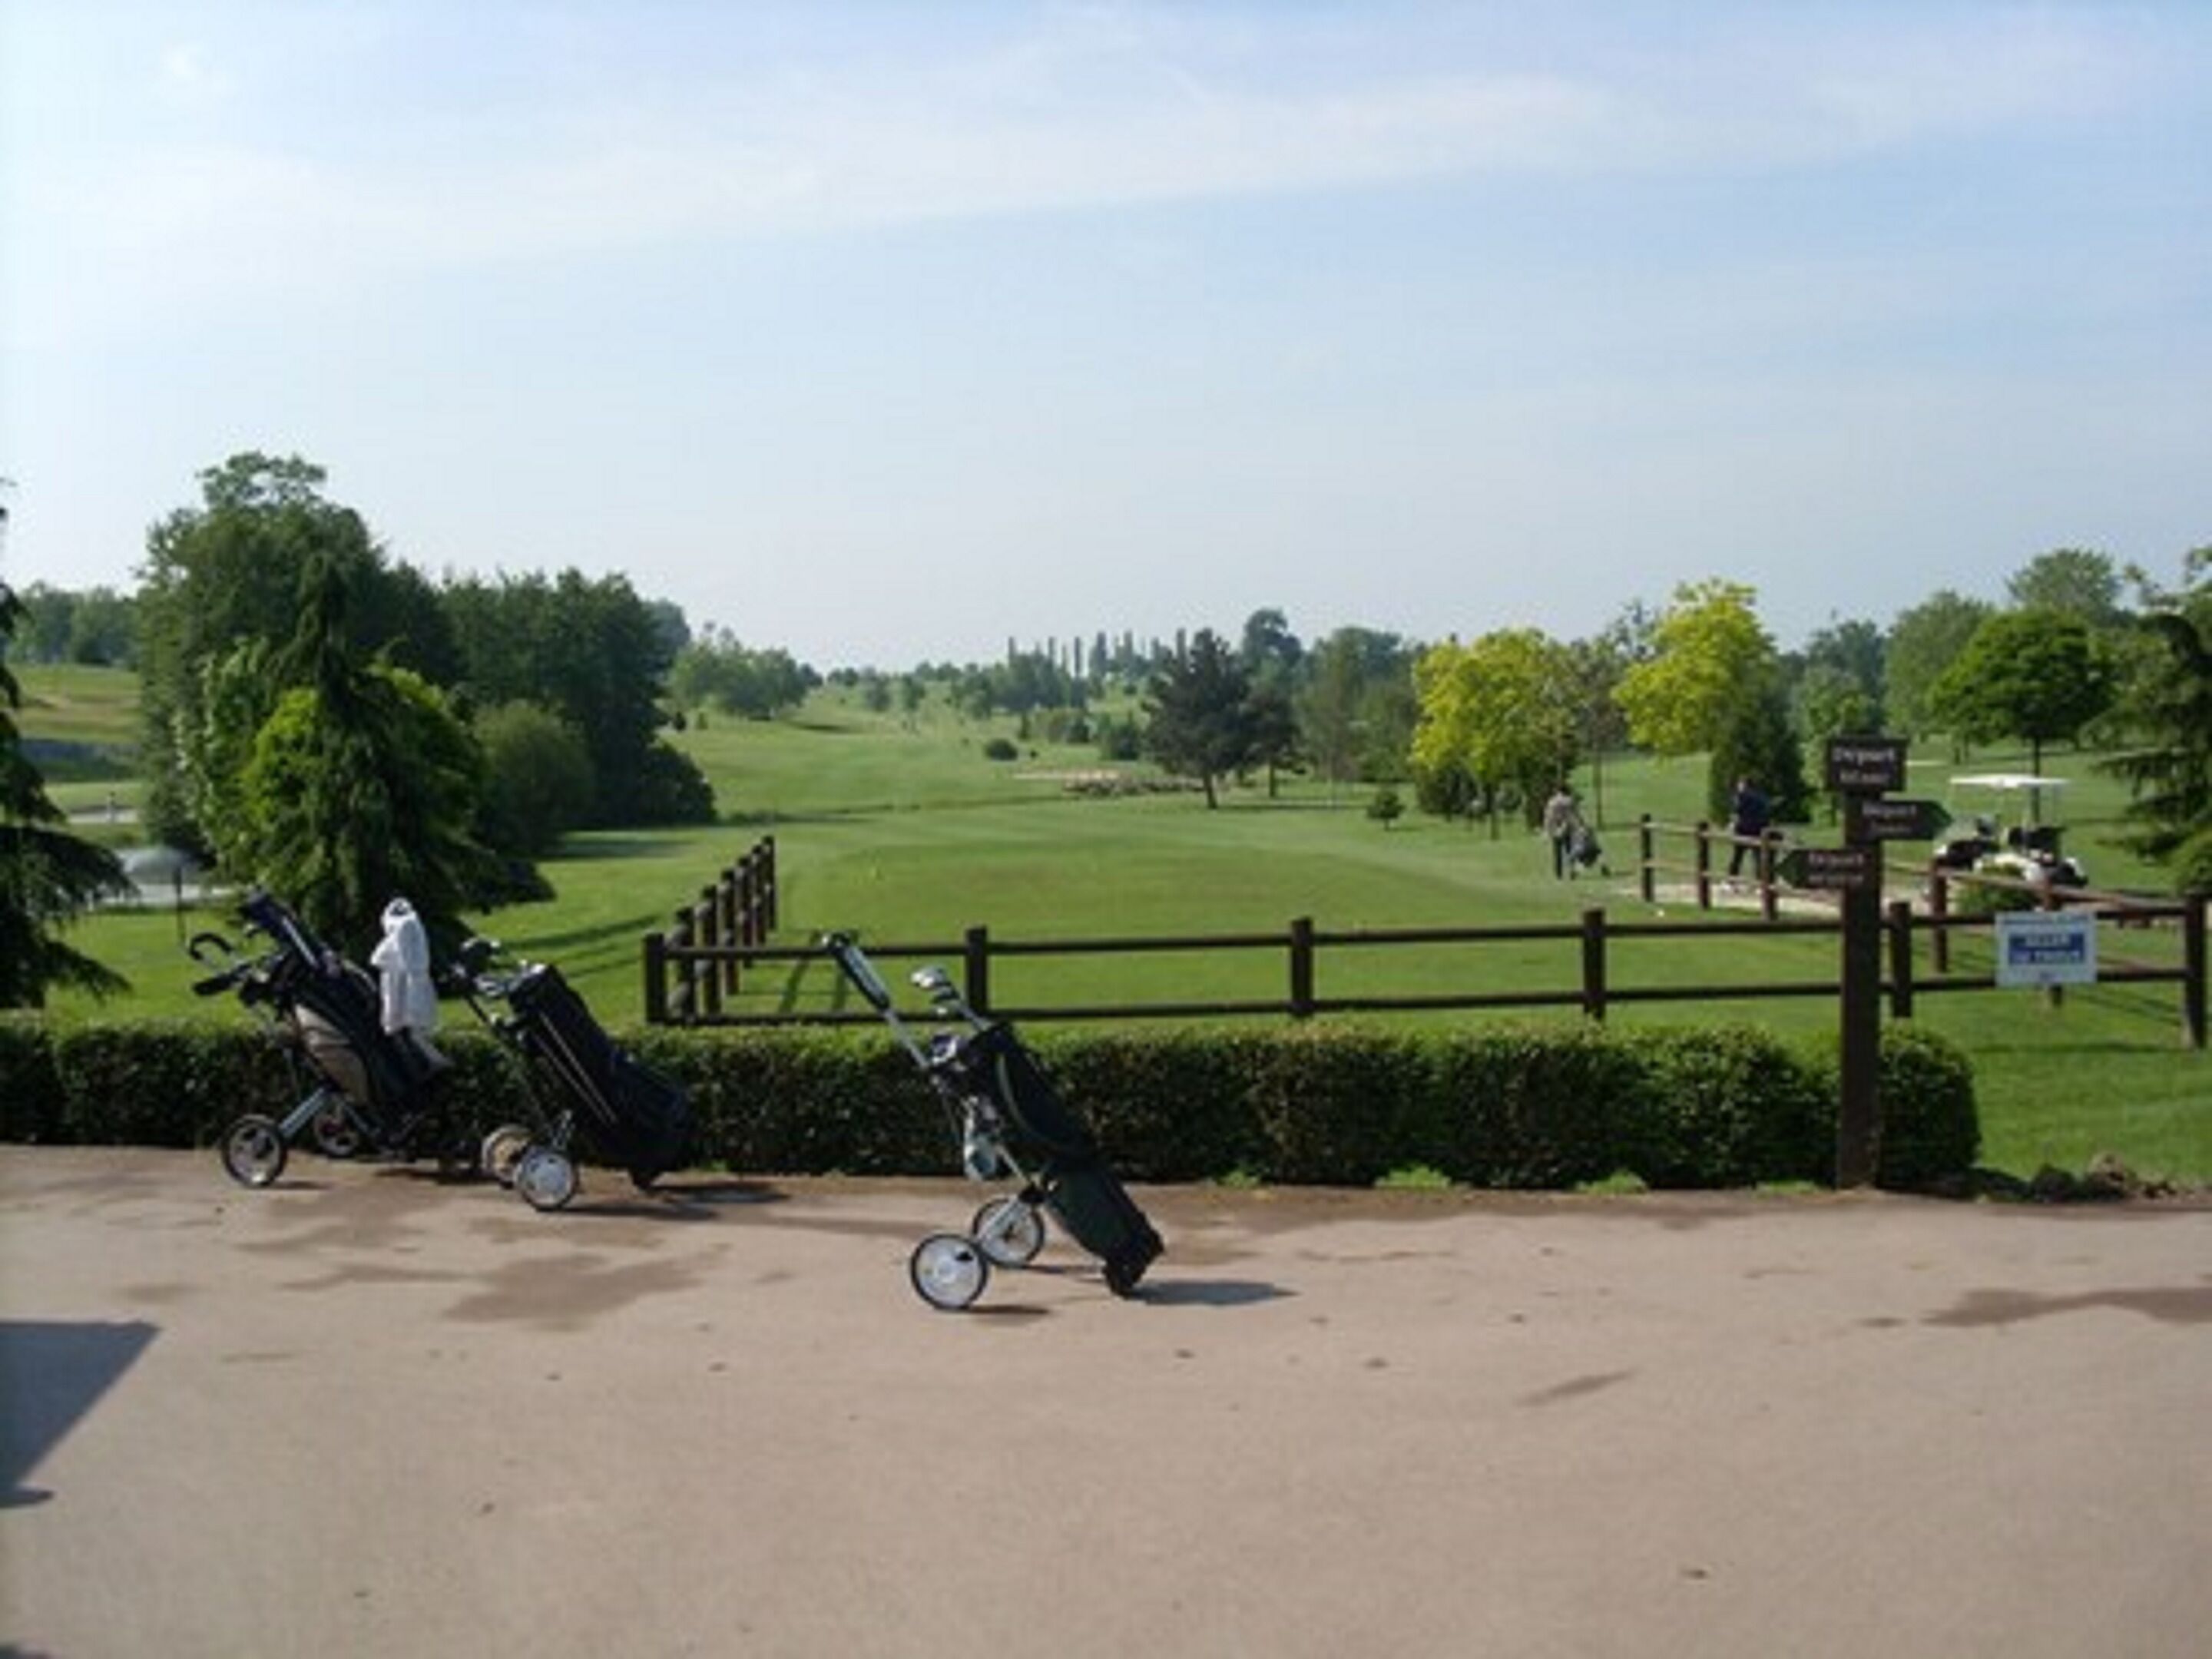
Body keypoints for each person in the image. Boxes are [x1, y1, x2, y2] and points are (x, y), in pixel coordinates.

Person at [1727, 776, 1772, 878]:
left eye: (1740, 785)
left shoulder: (1741, 796)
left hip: (1743, 829)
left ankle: (1731, 881)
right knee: (1758, 857)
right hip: (1760, 829)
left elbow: (1737, 812)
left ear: (1744, 786)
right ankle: (1761, 881)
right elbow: (1768, 811)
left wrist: (1732, 824)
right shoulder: (1762, 796)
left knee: (1737, 856)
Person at [1542, 784, 1584, 880]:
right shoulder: (1569, 801)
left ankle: (1558, 874)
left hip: (1556, 829)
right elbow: (1575, 815)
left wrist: (1547, 830)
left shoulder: (1552, 802)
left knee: (1557, 853)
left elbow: (1548, 817)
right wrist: (1579, 826)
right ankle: (1572, 871)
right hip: (1567, 828)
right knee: (1570, 851)